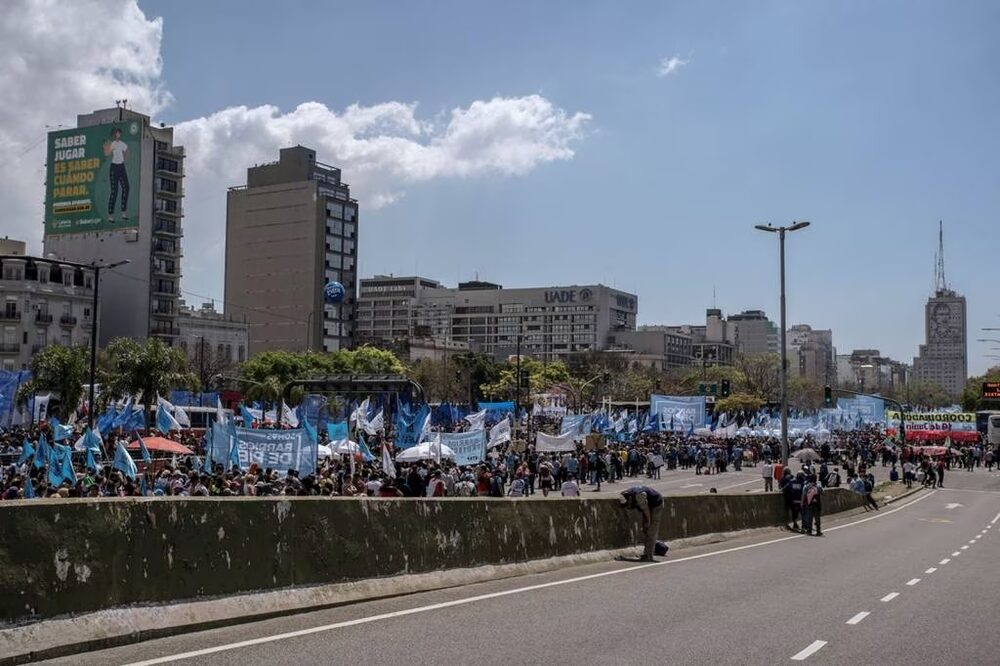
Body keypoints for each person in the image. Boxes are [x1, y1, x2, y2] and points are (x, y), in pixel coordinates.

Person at [618, 485, 664, 561]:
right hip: (648, 505)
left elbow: (646, 509)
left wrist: (648, 521)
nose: (628, 506)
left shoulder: (639, 496)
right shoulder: (627, 494)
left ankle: (648, 555)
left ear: (629, 499)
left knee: (651, 529)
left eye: (627, 504)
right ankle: (647, 552)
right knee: (645, 529)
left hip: (656, 505)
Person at [103, 127, 130, 223]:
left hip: (121, 166)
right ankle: (110, 215)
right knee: (114, 191)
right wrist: (106, 147)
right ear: (114, 134)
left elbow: (127, 150)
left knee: (126, 187)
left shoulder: (122, 144)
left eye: (119, 133)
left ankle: (123, 213)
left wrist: (124, 160)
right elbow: (107, 153)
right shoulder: (112, 143)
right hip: (114, 167)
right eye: (116, 133)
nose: (118, 134)